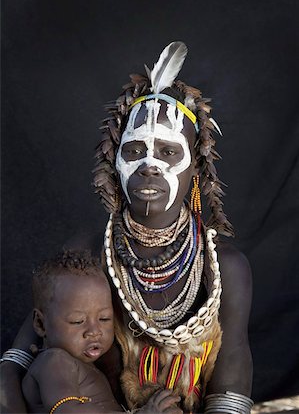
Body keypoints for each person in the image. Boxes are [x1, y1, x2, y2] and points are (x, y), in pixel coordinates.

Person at [1, 42, 253, 414]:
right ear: (114, 162)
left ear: (195, 170)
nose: (150, 165)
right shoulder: (90, 251)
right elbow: (27, 350)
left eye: (168, 152)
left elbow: (232, 363)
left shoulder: (223, 268)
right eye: (135, 151)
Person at [21, 250, 182, 414]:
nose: (94, 331)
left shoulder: (80, 364)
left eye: (104, 319)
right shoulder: (54, 361)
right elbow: (66, 410)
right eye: (78, 321)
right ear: (41, 324)